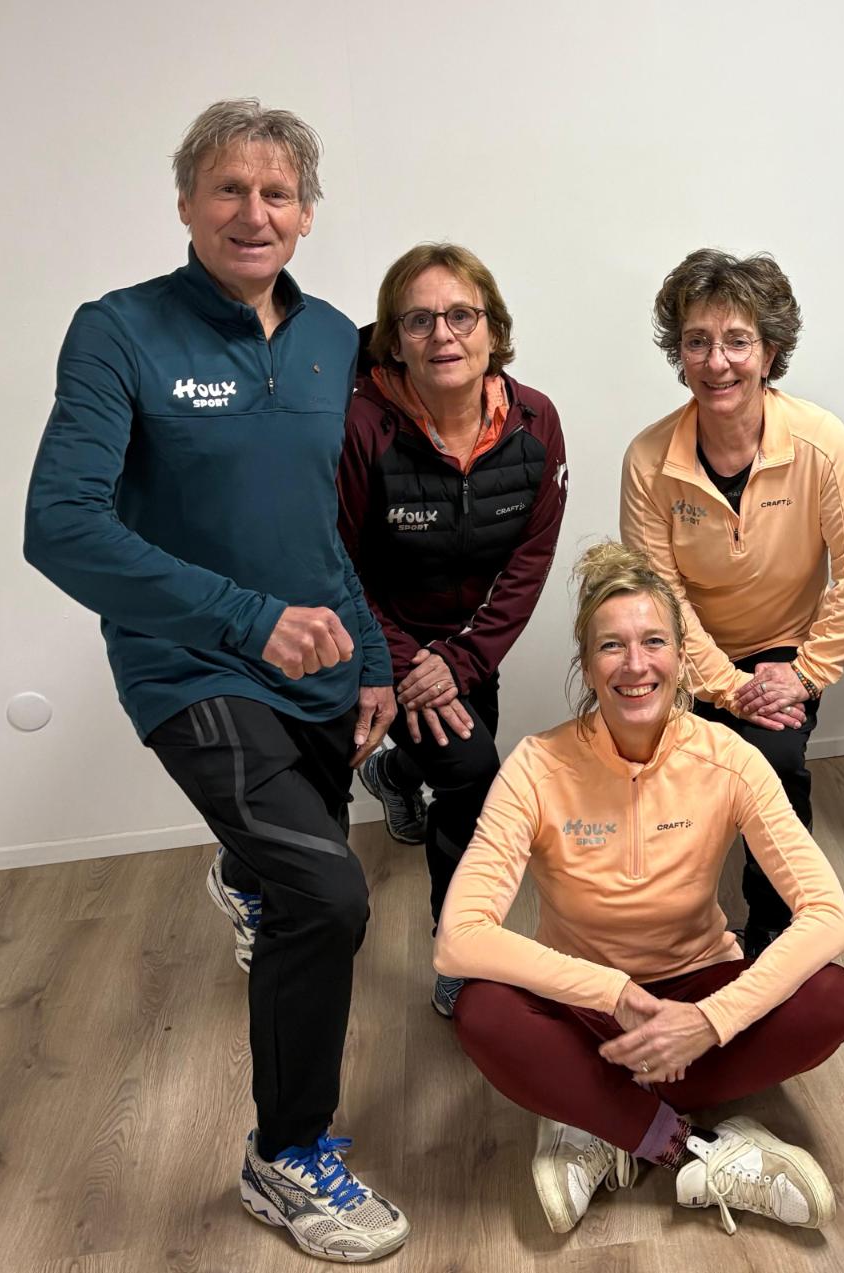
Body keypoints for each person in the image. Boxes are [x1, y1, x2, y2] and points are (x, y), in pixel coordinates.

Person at [23, 100, 409, 1262]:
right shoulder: (119, 331)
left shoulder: (333, 337)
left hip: (320, 663)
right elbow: (60, 526)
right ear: (187, 201)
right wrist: (248, 621)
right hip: (189, 661)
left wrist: (371, 656)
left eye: (277, 192)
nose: (254, 212)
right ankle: (286, 1156)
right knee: (328, 896)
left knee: (287, 873)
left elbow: (327, 523)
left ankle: (245, 871)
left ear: (307, 213)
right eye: (229, 188)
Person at [436, 542, 844, 1236]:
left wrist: (710, 1020)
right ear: (587, 664)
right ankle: (689, 1147)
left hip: (694, 993)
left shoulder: (730, 759)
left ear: (682, 657)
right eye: (612, 645)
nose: (635, 664)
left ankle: (593, 1114)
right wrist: (610, 992)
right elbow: (458, 938)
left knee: (832, 996)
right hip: (586, 1008)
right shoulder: (536, 766)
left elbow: (830, 916)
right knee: (481, 1010)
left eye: (654, 641)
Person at [620, 249, 844, 954]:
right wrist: (726, 687)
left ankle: (776, 925)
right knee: (655, 772)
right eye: (697, 341)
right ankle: (671, 926)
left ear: (769, 352)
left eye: (737, 341)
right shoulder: (648, 459)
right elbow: (659, 597)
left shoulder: (821, 442)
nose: (717, 362)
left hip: (782, 652)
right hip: (681, 655)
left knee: (775, 761)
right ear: (679, 353)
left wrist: (802, 674)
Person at [339, 242, 568, 1018]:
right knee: (472, 772)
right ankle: (458, 944)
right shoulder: (360, 427)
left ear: (492, 329)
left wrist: (465, 657)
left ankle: (396, 776)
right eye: (419, 320)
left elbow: (530, 558)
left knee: (455, 758)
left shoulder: (536, 423)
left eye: (461, 315)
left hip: (470, 644)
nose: (443, 334)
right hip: (382, 642)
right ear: (394, 340)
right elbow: (335, 562)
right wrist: (405, 662)